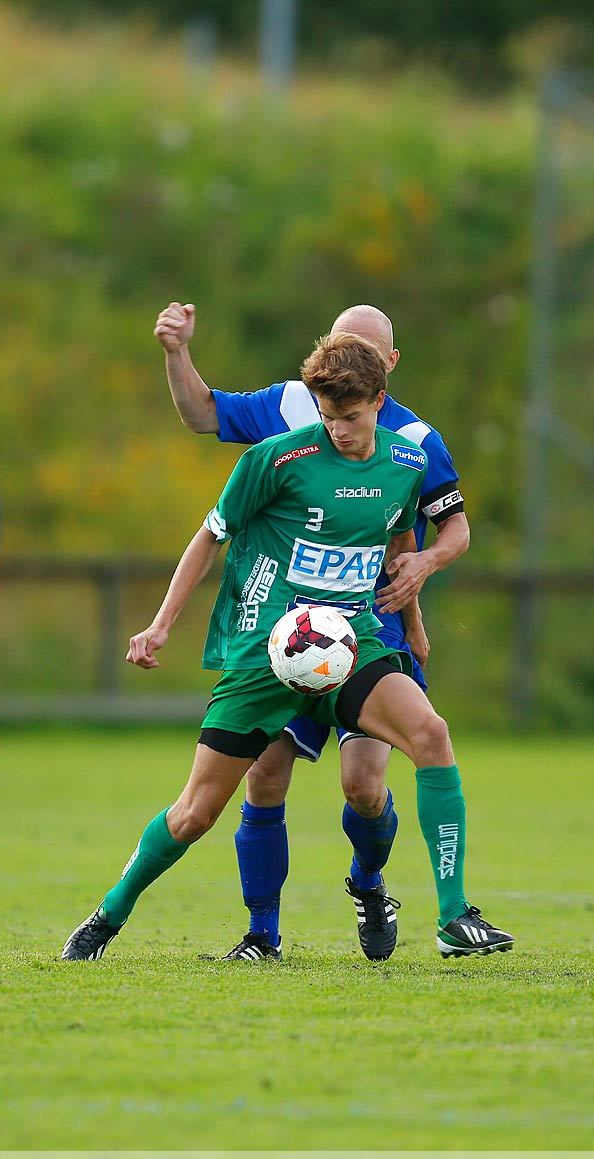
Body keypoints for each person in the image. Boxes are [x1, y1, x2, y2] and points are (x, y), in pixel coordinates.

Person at [60, 332, 513, 961]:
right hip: (267, 654)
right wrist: (162, 623)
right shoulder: (275, 459)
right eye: (327, 418)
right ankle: (108, 917)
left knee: (431, 736)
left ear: (381, 401)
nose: (338, 431)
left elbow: (398, 538)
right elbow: (208, 537)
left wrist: (413, 609)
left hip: (352, 644)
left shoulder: (408, 465)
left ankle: (453, 916)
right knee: (195, 813)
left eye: (350, 418)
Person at [154, 301, 470, 961]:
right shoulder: (294, 408)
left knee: (364, 785)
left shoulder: (416, 440)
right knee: (265, 775)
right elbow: (202, 414)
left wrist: (423, 578)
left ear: (390, 366)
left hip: (368, 633)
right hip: (288, 634)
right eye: (340, 345)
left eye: (365, 350)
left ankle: (370, 879)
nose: (347, 360)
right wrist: (177, 353)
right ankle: (261, 936)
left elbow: (437, 529)